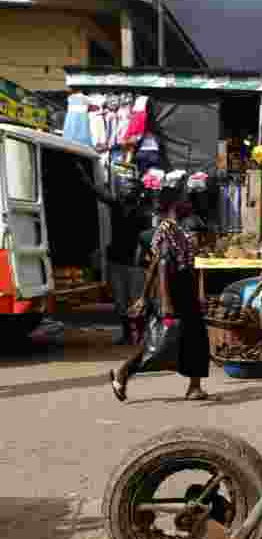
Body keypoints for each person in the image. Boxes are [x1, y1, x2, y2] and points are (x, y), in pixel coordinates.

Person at [109, 186, 212, 402]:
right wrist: (162, 302)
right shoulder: (167, 232)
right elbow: (160, 265)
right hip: (170, 297)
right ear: (174, 205)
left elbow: (196, 266)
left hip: (186, 295)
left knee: (197, 339)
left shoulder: (184, 232)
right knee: (155, 344)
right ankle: (123, 374)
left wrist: (200, 293)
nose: (188, 204)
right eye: (184, 201)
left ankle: (194, 387)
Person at [75, 162, 149, 345]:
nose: (127, 191)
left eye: (130, 188)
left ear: (138, 192)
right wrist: (83, 175)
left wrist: (141, 259)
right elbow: (96, 192)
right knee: (121, 302)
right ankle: (128, 334)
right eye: (125, 188)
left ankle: (138, 335)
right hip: (117, 260)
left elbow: (145, 239)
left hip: (135, 264)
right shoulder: (117, 206)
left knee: (135, 300)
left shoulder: (143, 213)